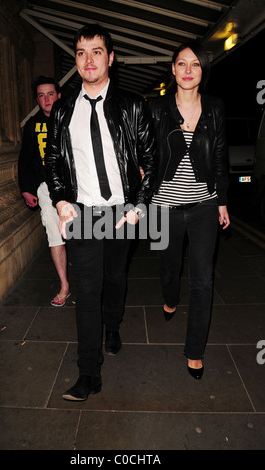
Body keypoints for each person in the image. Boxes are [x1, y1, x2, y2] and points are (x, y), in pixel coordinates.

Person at [45, 24, 156, 401]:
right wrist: (61, 201)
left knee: (115, 278)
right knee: (87, 293)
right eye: (80, 52)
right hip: (82, 214)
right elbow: (54, 162)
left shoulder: (133, 105)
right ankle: (88, 373)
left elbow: (150, 161)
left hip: (122, 212)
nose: (88, 60)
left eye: (96, 52)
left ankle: (114, 325)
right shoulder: (61, 111)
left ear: (110, 58)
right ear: (75, 60)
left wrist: (140, 206)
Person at [149, 41, 230, 380]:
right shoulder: (155, 108)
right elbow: (143, 149)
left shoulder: (214, 107)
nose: (187, 70)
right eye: (181, 63)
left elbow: (220, 157)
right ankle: (169, 295)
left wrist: (222, 200)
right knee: (169, 268)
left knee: (203, 279)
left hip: (203, 206)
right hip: (162, 208)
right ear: (172, 69)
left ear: (202, 71)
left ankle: (195, 350)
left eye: (194, 64)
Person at [18, 76, 71, 307]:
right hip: (45, 188)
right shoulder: (32, 124)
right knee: (54, 234)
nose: (46, 99)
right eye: (41, 95)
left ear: (58, 96)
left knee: (80, 231)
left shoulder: (71, 119)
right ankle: (64, 285)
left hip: (74, 186)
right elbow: (25, 159)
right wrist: (27, 189)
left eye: (50, 94)